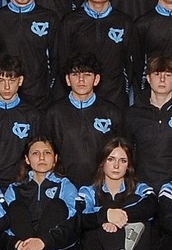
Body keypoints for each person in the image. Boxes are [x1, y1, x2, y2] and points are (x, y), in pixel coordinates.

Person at [0, 136, 82, 250]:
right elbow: (3, 225)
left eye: (47, 153)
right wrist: (20, 246)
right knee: (15, 208)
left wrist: (43, 243)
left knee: (57, 206)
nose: (42, 157)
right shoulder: (14, 188)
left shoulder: (66, 186)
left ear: (55, 158)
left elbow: (73, 224)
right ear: (27, 159)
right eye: (36, 153)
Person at [76, 138, 159, 250]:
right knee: (101, 217)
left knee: (137, 212)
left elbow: (152, 206)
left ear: (129, 165)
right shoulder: (87, 191)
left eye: (123, 161)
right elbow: (80, 220)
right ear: (102, 162)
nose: (116, 166)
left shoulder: (141, 189)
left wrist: (120, 216)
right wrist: (106, 215)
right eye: (111, 159)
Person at [57, 0, 137, 103]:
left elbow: (130, 63)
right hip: (81, 96)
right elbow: (63, 61)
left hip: (115, 96)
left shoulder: (124, 22)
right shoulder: (71, 21)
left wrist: (123, 89)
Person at [0, 0, 59, 107]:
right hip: (6, 96)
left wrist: (48, 88)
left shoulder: (49, 18)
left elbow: (56, 59)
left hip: (39, 97)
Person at [45, 57, 122, 186]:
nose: (81, 80)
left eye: (87, 74)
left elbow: (121, 151)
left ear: (96, 79)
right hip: (64, 186)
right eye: (75, 75)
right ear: (68, 80)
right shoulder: (54, 113)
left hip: (102, 185)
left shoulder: (111, 111)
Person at [126, 54, 172, 190]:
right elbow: (127, 154)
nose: (162, 79)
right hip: (141, 188)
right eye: (157, 74)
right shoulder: (133, 114)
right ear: (148, 78)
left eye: (168, 75)